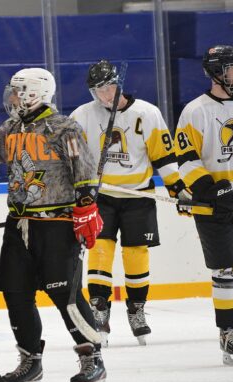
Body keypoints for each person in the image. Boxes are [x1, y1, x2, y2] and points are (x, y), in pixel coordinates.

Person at [0, 68, 107, 382]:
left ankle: (92, 357)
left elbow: (84, 171)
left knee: (64, 293)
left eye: (18, 91)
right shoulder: (10, 128)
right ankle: (30, 360)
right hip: (18, 224)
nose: (13, 97)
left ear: (35, 93)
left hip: (56, 225)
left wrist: (86, 208)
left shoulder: (64, 127)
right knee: (16, 294)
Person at [70, 60, 187, 346]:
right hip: (101, 197)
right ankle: (99, 309)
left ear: (118, 85)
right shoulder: (82, 115)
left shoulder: (147, 113)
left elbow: (163, 155)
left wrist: (178, 189)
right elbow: (73, 158)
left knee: (136, 253)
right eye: (98, 91)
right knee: (100, 250)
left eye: (108, 88)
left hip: (138, 195)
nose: (104, 96)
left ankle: (136, 309)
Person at [175, 45, 233, 366]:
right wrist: (210, 189)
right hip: (215, 209)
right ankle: (227, 330)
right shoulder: (195, 111)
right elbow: (186, 160)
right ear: (217, 72)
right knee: (226, 271)